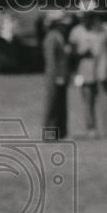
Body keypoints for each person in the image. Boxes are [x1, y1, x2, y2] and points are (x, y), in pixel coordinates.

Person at [68, 0, 107, 138]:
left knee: (105, 101)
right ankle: (91, 129)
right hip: (85, 71)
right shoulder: (76, 32)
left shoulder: (106, 29)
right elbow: (72, 54)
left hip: (102, 70)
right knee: (88, 101)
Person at [42, 9, 73, 140]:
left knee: (60, 105)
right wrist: (58, 76)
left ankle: (60, 132)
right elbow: (51, 60)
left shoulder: (59, 36)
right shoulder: (52, 38)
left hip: (60, 76)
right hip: (54, 77)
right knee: (52, 105)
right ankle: (50, 134)